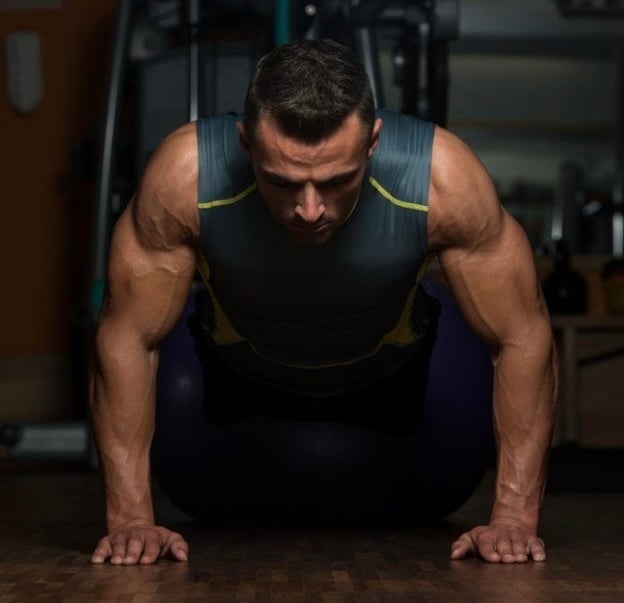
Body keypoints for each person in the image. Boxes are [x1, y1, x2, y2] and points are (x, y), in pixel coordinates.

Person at [89, 38, 558, 566]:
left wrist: (513, 521)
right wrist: (130, 522)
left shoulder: (441, 179)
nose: (310, 210)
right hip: (236, 376)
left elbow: (522, 333)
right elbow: (127, 335)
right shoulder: (184, 177)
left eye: (337, 181)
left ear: (373, 142)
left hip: (394, 379)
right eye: (282, 181)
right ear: (246, 145)